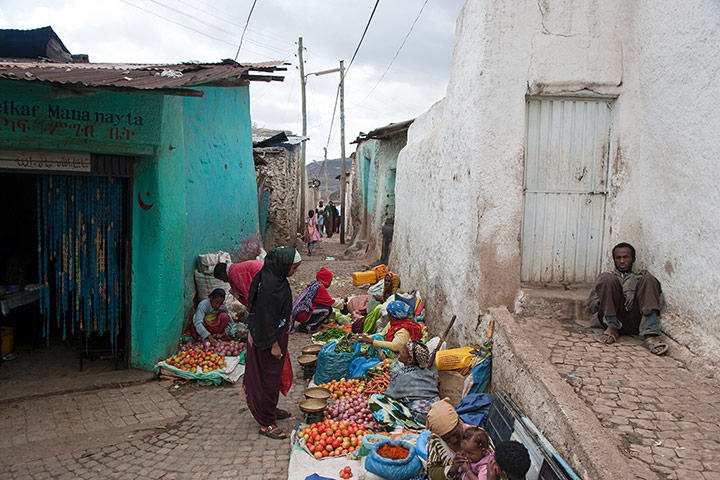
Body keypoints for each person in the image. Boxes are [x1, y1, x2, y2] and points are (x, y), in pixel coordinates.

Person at [243, 247, 301, 440]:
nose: (294, 272)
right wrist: (274, 344)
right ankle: (266, 422)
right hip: (267, 339)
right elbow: (265, 316)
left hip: (275, 335)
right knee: (267, 378)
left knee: (273, 377)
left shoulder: (275, 278)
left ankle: (271, 409)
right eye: (292, 268)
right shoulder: (269, 285)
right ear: (282, 264)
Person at [589, 242, 669, 355]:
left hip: (636, 318)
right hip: (611, 318)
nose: (622, 261)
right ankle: (612, 328)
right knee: (609, 279)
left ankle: (651, 335)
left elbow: (657, 301)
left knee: (649, 279)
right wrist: (610, 300)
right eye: (618, 258)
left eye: (625, 257)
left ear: (633, 259)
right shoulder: (605, 278)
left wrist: (637, 298)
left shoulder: (641, 277)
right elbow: (592, 304)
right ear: (614, 260)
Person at [375, 340, 440, 425]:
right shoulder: (429, 373)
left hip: (421, 417)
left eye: (402, 351)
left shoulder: (402, 375)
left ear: (409, 360)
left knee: (375, 400)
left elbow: (389, 397)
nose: (399, 351)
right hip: (436, 411)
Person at [291, 267, 347, 333]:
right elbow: (331, 302)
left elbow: (325, 299)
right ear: (326, 279)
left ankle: (305, 324)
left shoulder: (315, 284)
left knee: (324, 307)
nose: (330, 283)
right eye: (330, 280)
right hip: (302, 314)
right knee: (328, 310)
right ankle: (309, 327)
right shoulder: (320, 288)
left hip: (298, 311)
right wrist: (343, 302)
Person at [356, 300, 423, 354]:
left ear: (394, 316)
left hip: (401, 354)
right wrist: (365, 337)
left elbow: (396, 346)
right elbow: (383, 333)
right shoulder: (393, 323)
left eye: (389, 313)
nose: (388, 315)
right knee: (377, 337)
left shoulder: (404, 330)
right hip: (396, 348)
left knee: (378, 344)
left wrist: (372, 341)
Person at [426, 397, 467, 480]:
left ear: (458, 421)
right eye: (447, 439)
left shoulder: (477, 435)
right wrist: (452, 469)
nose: (453, 440)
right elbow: (432, 471)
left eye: (455, 434)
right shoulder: (435, 441)